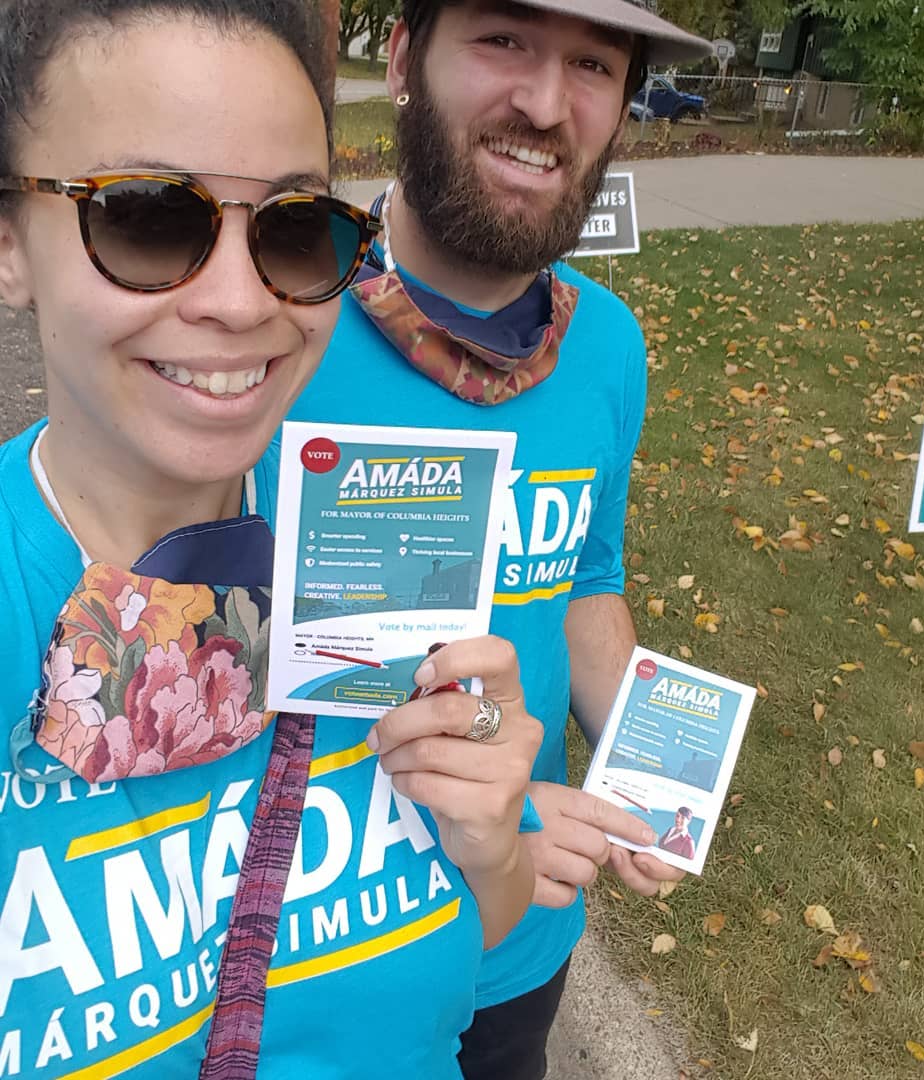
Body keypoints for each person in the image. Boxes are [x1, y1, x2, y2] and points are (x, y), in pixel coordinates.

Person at [0, 2, 541, 1076]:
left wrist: (492, 842)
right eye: (148, 218)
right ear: (9, 246)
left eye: (295, 226)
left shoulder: (377, 556)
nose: (244, 302)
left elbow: (454, 961)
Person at [287, 2, 711, 1076]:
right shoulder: (279, 323)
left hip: (522, 962)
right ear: (400, 59)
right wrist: (492, 838)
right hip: (327, 967)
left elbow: (587, 583)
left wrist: (658, 780)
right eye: (503, 40)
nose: (544, 101)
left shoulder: (609, 346)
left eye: (591, 64)